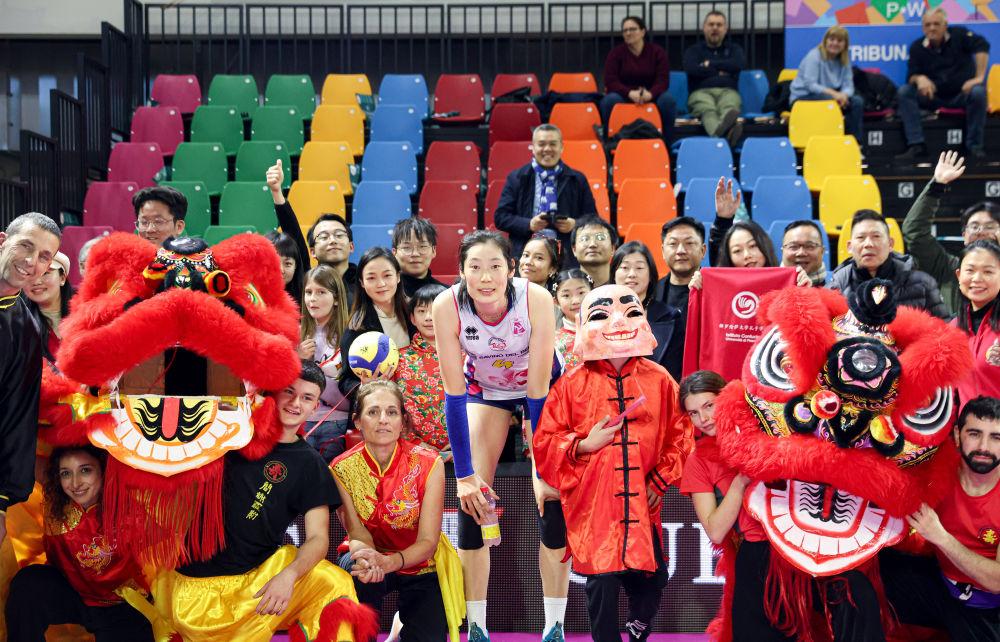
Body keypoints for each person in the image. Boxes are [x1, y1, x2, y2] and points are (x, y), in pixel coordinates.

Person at [151, 360, 374, 641]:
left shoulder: (310, 464)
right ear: (273, 393)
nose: (296, 403)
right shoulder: (231, 433)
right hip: (194, 588)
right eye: (289, 392)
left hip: (258, 584)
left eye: (307, 398)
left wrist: (289, 576)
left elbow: (318, 538)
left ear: (316, 406)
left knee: (332, 583)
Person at [533, 284, 692, 642]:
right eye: (601, 315)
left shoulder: (660, 379)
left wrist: (660, 479)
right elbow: (544, 443)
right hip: (595, 506)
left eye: (631, 312)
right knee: (601, 584)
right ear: (581, 323)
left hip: (642, 504)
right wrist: (582, 445)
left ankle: (637, 628)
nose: (618, 321)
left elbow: (681, 433)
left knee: (653, 579)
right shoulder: (571, 384)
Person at [431, 230, 558, 642]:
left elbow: (537, 393)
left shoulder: (536, 299)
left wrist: (543, 470)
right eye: (475, 267)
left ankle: (554, 623)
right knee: (472, 499)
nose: (485, 277)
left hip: (541, 391)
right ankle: (477, 625)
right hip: (484, 391)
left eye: (495, 267)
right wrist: (465, 476)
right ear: (461, 271)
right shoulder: (446, 305)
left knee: (550, 495)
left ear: (511, 268)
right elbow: (453, 395)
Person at [331, 380, 460, 642]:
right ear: (357, 421)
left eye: (391, 412)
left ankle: (402, 627)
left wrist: (390, 562)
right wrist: (369, 559)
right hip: (366, 556)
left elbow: (428, 542)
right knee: (358, 576)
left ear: (403, 421)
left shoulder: (429, 464)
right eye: (373, 412)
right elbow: (356, 532)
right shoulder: (340, 468)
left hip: (419, 562)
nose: (383, 420)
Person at [881, 395, 1000, 639]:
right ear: (957, 434)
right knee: (862, 577)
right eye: (974, 433)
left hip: (988, 608)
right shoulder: (940, 468)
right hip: (940, 583)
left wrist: (940, 536)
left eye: (996, 438)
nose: (984, 447)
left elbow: (997, 582)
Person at [5, 445, 153, 642]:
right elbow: (17, 452)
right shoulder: (56, 489)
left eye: (85, 470)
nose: (75, 483)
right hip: (71, 592)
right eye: (66, 473)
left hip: (120, 605)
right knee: (28, 584)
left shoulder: (130, 503)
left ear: (103, 469)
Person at [0, 212, 60, 543]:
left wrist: (2, 502)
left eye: (44, 257)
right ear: (2, 241)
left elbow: (16, 415)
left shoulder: (25, 331)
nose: (31, 261)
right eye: (25, 245)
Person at [902, 150, 1000, 316]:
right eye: (974, 226)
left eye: (989, 226)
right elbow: (915, 231)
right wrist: (937, 185)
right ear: (964, 235)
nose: (981, 232)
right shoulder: (947, 267)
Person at [494, 124, 597, 267]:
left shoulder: (577, 179)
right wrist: (529, 224)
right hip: (524, 251)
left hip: (567, 253)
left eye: (553, 144)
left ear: (561, 147)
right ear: (533, 147)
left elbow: (593, 219)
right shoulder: (517, 177)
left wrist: (574, 224)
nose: (547, 149)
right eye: (541, 144)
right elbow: (501, 217)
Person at [897, 7, 990, 159]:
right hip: (933, 97)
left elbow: (982, 45)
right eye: (928, 25)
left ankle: (974, 146)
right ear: (923, 28)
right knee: (905, 92)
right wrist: (919, 78)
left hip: (961, 94)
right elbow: (911, 75)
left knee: (978, 92)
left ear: (945, 25)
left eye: (936, 24)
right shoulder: (917, 47)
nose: (932, 28)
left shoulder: (960, 35)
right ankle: (917, 145)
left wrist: (979, 77)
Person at [268, 157, 360, 304]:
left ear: (351, 246)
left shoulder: (366, 281)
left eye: (339, 235)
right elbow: (293, 235)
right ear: (312, 251)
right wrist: (277, 192)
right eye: (323, 236)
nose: (332, 240)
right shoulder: (307, 282)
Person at [830, 209, 949, 319]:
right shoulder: (837, 287)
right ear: (849, 246)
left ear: (890, 244)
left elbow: (943, 329)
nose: (868, 244)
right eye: (861, 237)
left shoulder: (921, 284)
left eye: (876, 236)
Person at [339, 248, 414, 399]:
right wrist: (364, 386)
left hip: (418, 400)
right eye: (371, 278)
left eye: (387, 275)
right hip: (379, 404)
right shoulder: (357, 326)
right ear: (362, 282)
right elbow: (345, 381)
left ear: (398, 276)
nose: (381, 283)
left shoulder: (415, 314)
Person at [299, 265, 351, 463]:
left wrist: (315, 375)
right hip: (301, 419)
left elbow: (349, 397)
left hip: (336, 421)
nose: (313, 298)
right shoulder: (295, 332)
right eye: (308, 292)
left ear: (336, 298)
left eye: (321, 292)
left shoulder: (348, 336)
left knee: (330, 478)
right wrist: (297, 359)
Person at [393, 284, 452, 458]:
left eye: (435, 310)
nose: (428, 317)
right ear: (412, 318)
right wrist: (419, 445)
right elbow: (393, 407)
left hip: (467, 446)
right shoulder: (399, 359)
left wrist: (463, 441)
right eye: (421, 311)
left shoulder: (467, 356)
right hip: (415, 452)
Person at [611, 241, 683, 381]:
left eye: (639, 268)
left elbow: (674, 372)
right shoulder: (600, 316)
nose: (632, 274)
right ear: (614, 274)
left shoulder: (670, 317)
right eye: (625, 267)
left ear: (651, 275)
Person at [600, 15, 676, 143]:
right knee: (609, 101)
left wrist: (650, 94)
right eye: (625, 30)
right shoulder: (616, 53)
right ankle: (610, 143)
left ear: (643, 32)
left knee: (667, 101)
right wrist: (629, 93)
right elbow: (610, 80)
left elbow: (663, 80)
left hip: (650, 94)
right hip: (624, 95)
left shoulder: (657, 52)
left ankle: (666, 145)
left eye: (632, 29)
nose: (628, 33)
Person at [789, 26, 864, 140]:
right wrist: (835, 95)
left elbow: (849, 86)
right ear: (825, 41)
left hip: (832, 96)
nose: (835, 43)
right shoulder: (814, 56)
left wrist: (844, 95)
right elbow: (810, 85)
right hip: (803, 97)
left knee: (857, 102)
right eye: (831, 39)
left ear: (845, 44)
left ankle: (853, 142)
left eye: (839, 40)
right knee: (829, 100)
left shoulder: (845, 60)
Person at [683, 11, 745, 145]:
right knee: (708, 110)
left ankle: (718, 137)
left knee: (729, 108)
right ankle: (725, 136)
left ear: (725, 29)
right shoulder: (693, 51)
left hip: (728, 91)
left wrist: (709, 64)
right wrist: (722, 70)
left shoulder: (734, 49)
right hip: (700, 92)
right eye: (711, 24)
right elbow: (691, 69)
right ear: (704, 28)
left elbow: (737, 65)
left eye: (719, 25)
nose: (715, 28)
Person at [952, 240, 1000, 405]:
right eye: (970, 270)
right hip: (965, 421)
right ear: (959, 275)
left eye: (988, 271)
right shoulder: (951, 329)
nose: (977, 278)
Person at [24, 250, 73, 360]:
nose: (36, 282)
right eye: (29, 274)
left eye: (45, 273)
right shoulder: (18, 324)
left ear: (62, 278)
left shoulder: (88, 315)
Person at [551, 269, 593, 371]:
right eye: (566, 295)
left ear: (593, 292)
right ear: (556, 302)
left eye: (581, 292)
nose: (576, 301)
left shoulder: (608, 332)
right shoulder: (552, 342)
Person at [392, 217, 444, 297]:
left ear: (433, 251)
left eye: (422, 246)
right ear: (394, 252)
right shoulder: (386, 293)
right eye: (407, 247)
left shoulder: (445, 295)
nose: (415, 254)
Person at [571, 215, 618, 288]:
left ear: (613, 249)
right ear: (574, 250)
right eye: (585, 239)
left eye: (601, 238)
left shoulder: (623, 288)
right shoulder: (564, 289)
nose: (592, 244)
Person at [780, 220, 828, 286]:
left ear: (822, 251)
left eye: (809, 246)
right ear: (782, 251)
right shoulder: (769, 286)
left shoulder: (837, 285)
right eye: (793, 246)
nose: (801, 253)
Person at [266, 231, 305, 305]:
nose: (281, 270)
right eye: (274, 263)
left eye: (287, 263)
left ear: (295, 266)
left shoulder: (306, 299)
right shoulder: (250, 297)